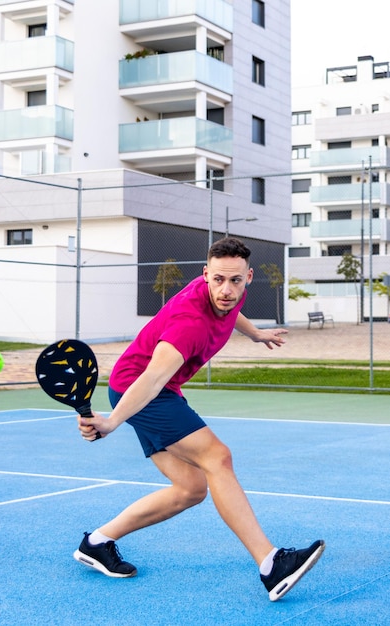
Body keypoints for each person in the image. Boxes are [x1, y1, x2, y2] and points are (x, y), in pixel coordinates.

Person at [75, 236, 325, 601]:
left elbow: (229, 310)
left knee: (191, 489)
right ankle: (271, 564)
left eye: (235, 280)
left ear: (248, 277)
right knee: (217, 457)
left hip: (152, 389)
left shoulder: (222, 292)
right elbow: (152, 378)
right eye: (218, 280)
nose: (226, 290)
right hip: (143, 390)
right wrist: (112, 422)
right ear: (205, 274)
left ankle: (96, 543)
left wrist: (254, 333)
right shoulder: (188, 323)